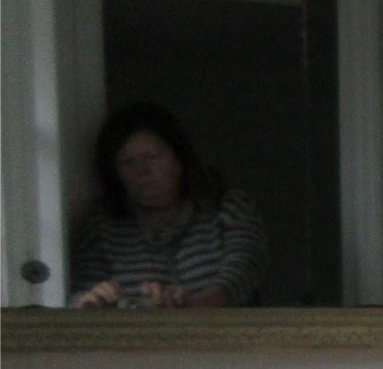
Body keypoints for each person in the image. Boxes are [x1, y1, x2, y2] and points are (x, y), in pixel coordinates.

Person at [70, 103, 267, 309]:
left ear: (178, 158)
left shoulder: (227, 207)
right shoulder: (100, 225)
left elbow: (246, 268)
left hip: (224, 335)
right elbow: (81, 290)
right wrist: (93, 301)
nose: (143, 171)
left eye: (153, 157)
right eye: (128, 163)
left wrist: (195, 303)